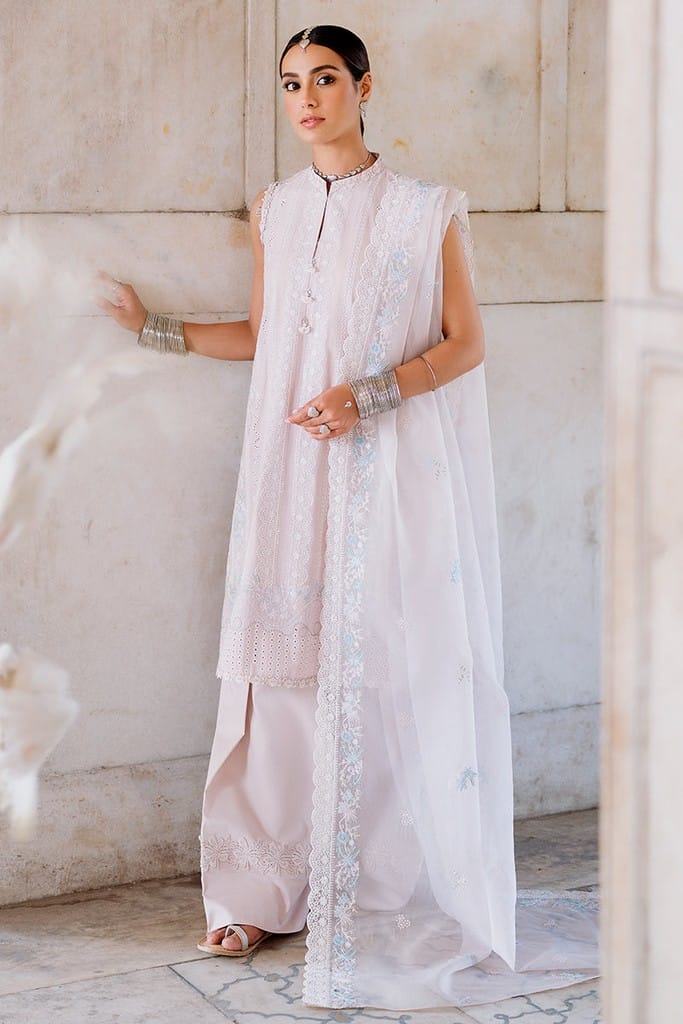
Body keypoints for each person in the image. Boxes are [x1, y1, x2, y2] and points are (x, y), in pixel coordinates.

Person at [99, 23, 599, 1012]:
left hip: (383, 473)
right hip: (285, 471)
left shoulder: (425, 209)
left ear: (364, 88)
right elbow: (266, 333)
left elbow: (464, 342)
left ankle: (368, 888)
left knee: (375, 674)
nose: (306, 99)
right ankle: (256, 894)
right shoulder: (276, 210)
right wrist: (153, 327)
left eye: (324, 78)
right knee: (274, 674)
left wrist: (365, 396)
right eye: (290, 83)